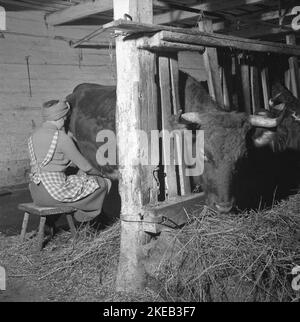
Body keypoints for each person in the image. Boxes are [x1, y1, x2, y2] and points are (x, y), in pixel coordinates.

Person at [28, 99, 111, 223]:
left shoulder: (33, 136)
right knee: (103, 183)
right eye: (65, 117)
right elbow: (86, 167)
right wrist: (104, 173)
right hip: (54, 194)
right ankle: (85, 217)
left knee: (78, 177)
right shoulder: (61, 138)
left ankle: (58, 221)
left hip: (37, 193)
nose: (66, 120)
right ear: (60, 117)